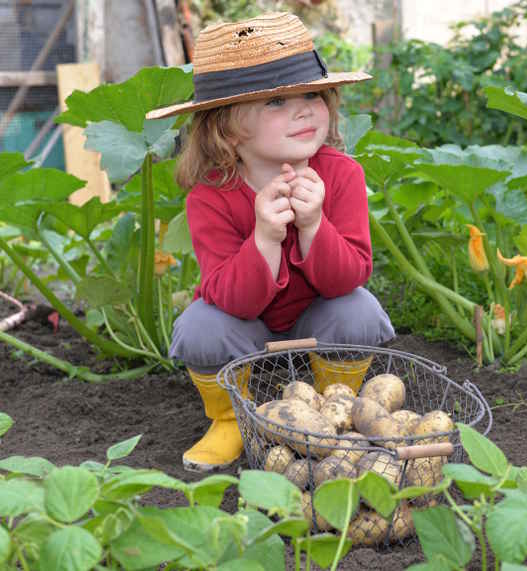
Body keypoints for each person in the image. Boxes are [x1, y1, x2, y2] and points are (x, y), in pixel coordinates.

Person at [146, 12, 395, 472]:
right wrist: (264, 237)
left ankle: (331, 412)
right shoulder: (211, 197)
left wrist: (315, 225)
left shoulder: (341, 175)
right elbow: (231, 300)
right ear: (226, 128)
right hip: (246, 330)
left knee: (358, 309)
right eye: (277, 101)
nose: (303, 109)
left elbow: (350, 277)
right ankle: (228, 420)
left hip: (319, 319)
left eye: (312, 95)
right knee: (201, 327)